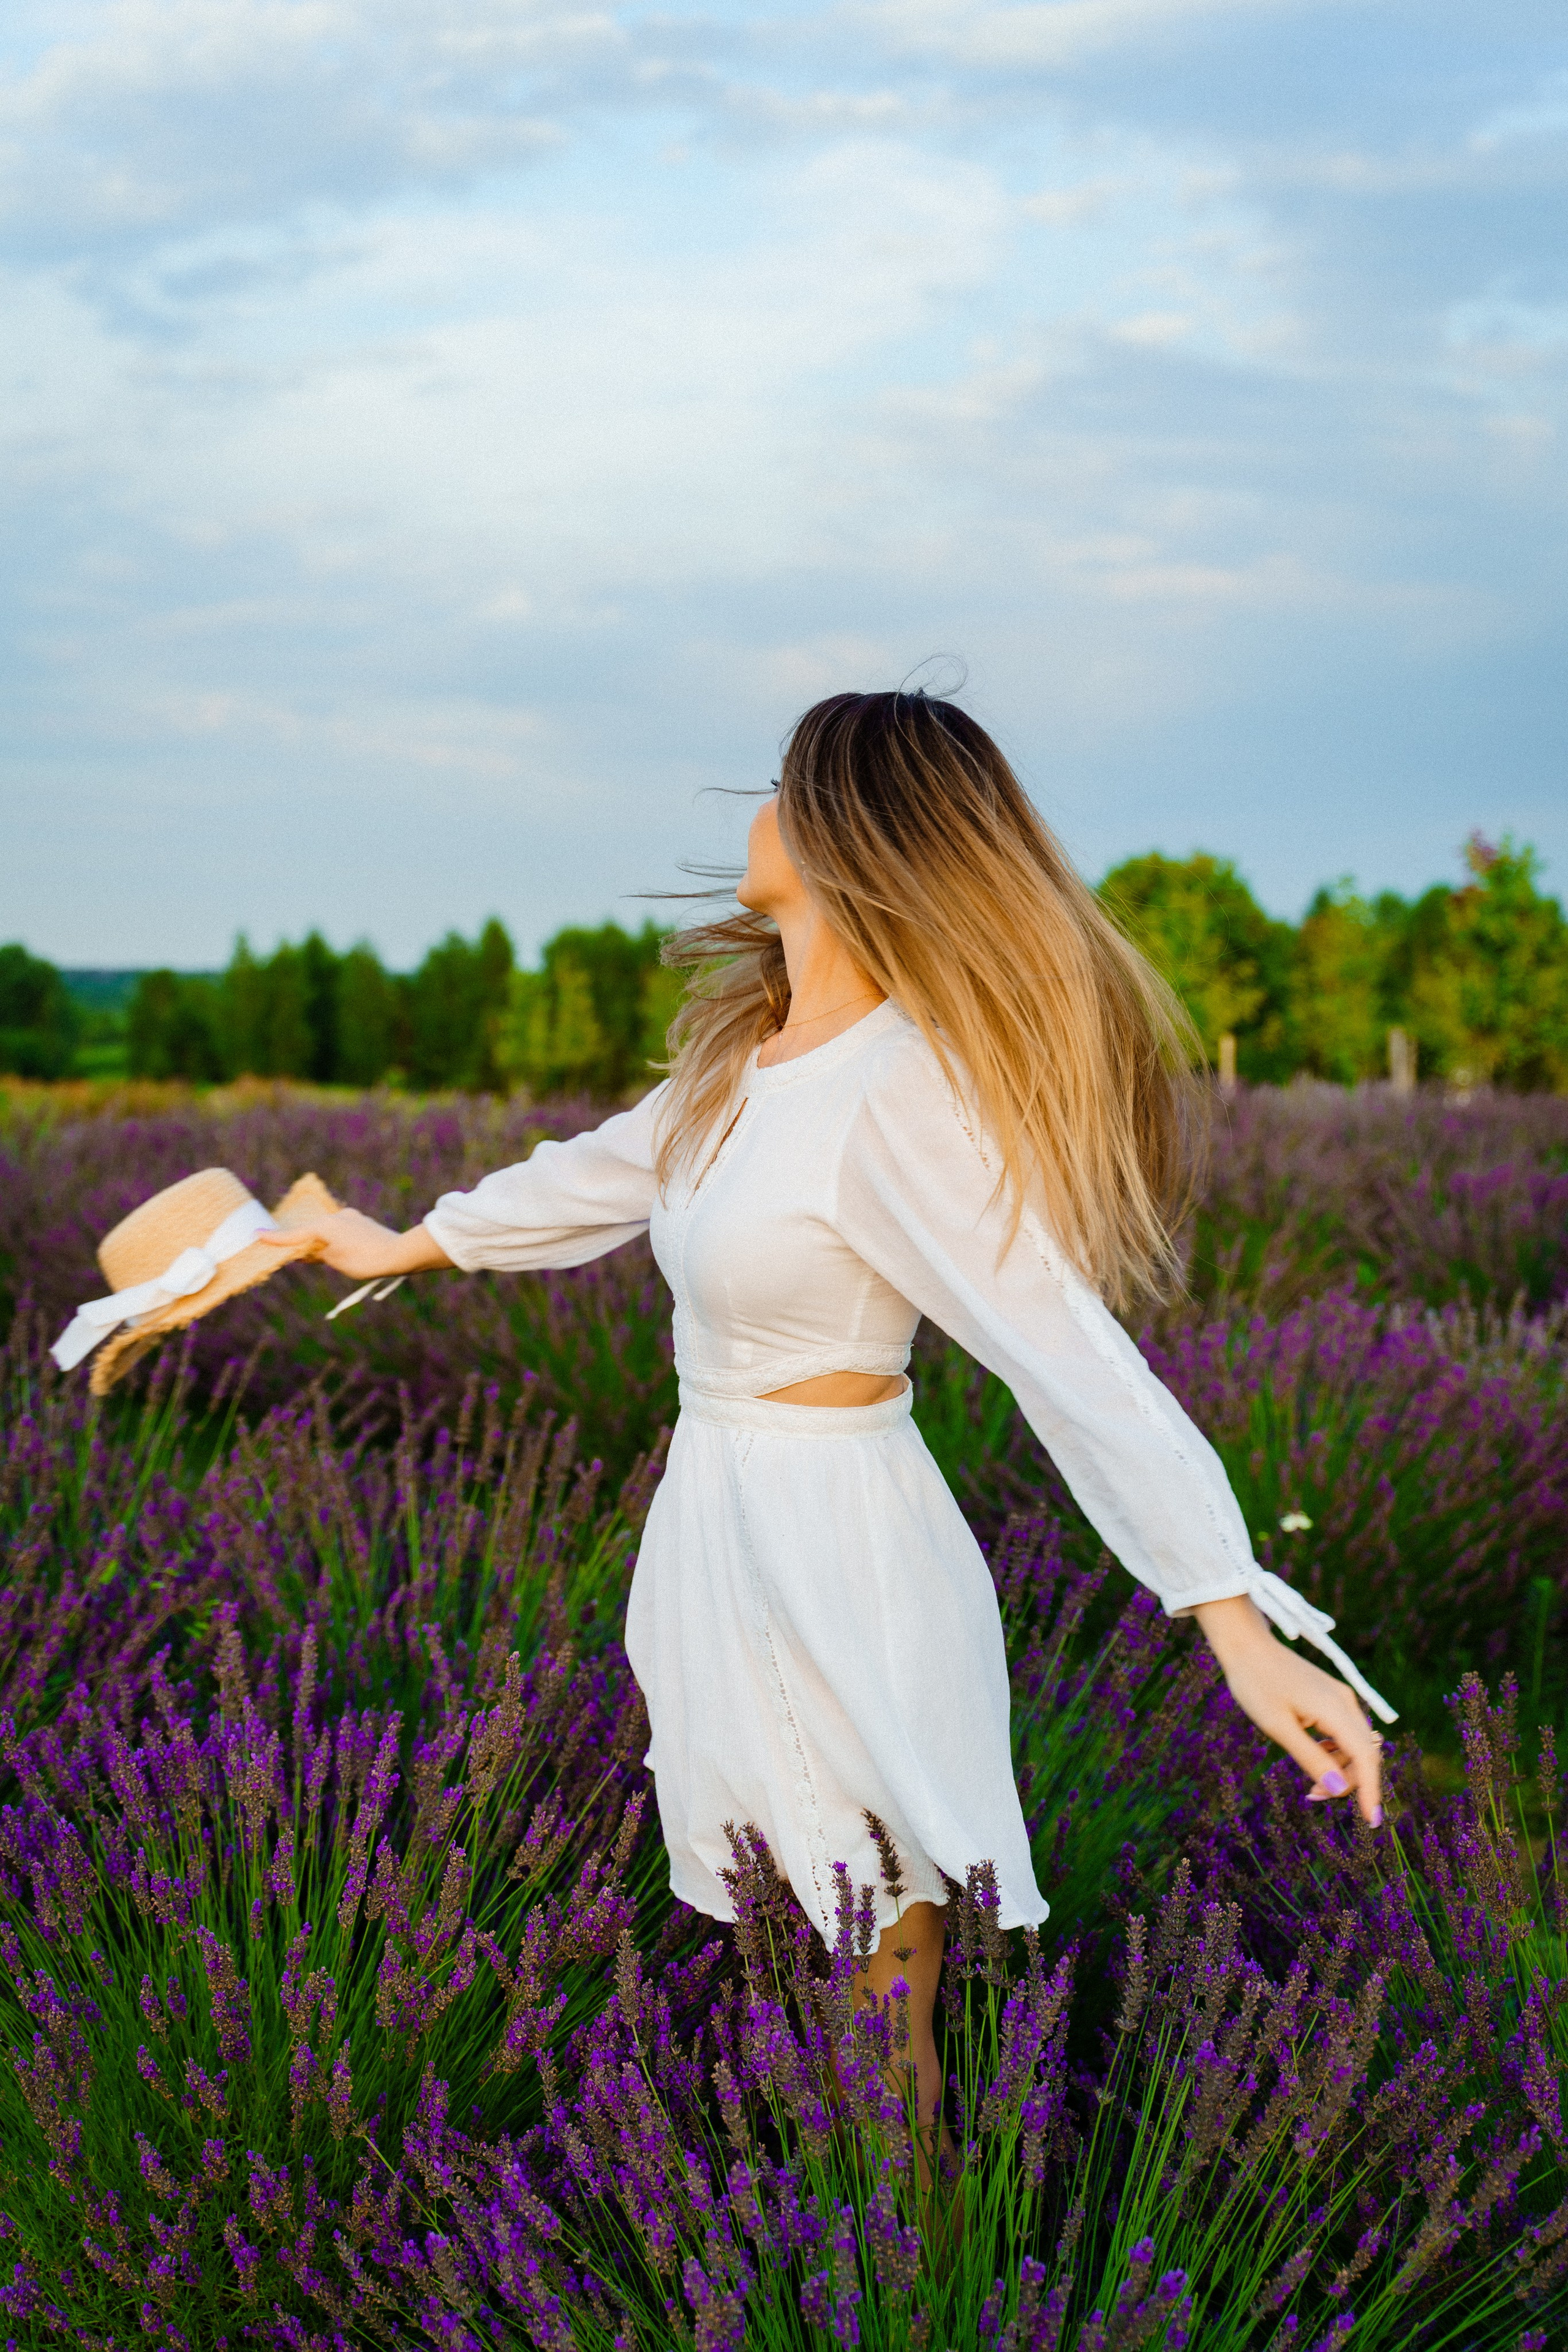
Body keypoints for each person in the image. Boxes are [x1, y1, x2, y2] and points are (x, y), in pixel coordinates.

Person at [263, 689, 1389, 2174]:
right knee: (786, 1921)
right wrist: (392, 1242)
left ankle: (907, 2273)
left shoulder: (898, 1094)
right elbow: (596, 1173)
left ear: (843, 832)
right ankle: (843, 2242)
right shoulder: (743, 1060)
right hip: (717, 1527)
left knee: (879, 1970)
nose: (751, 813)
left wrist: (1236, 1625)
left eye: (777, 789)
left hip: (843, 1551)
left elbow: (1072, 1363)